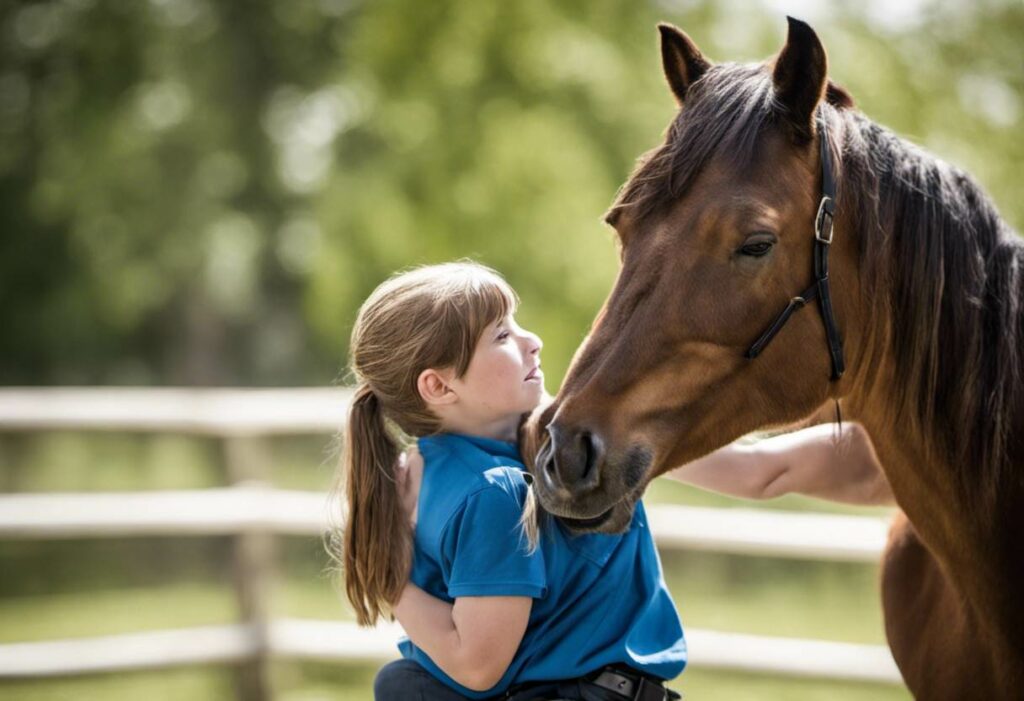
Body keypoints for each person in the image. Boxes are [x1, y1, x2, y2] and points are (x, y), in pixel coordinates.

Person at [335, 260, 893, 701]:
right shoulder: (495, 491)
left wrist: (909, 446)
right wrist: (388, 578)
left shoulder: (442, 464)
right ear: (437, 386)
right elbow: (477, 664)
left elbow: (764, 470)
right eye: (501, 336)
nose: (534, 341)